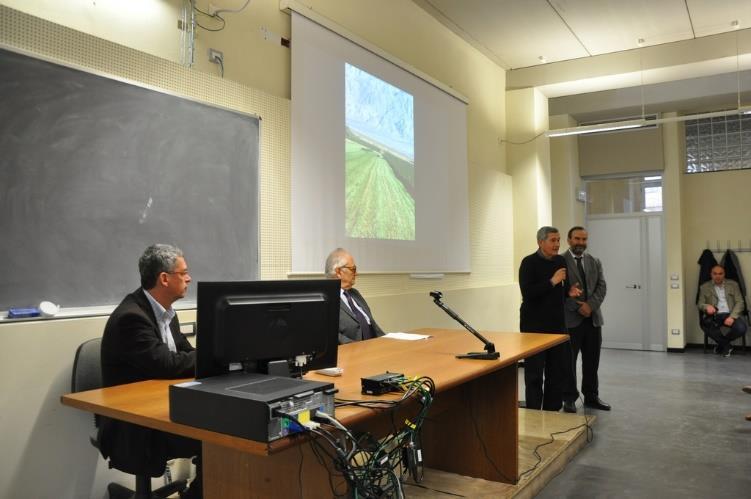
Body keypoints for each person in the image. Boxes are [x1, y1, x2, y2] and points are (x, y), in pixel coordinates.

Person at [100, 244, 202, 498]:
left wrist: (203, 358)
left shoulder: (167, 313)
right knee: (214, 439)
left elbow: (184, 355)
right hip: (133, 425)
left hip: (160, 407)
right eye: (184, 273)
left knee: (221, 428)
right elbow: (167, 364)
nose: (189, 278)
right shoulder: (131, 318)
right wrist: (211, 357)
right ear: (164, 278)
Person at [519, 227, 575, 411]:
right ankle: (534, 412)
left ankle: (552, 411)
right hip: (534, 327)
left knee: (556, 372)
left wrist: (569, 292)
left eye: (559, 240)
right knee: (534, 373)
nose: (557, 244)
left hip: (557, 325)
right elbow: (528, 293)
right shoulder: (528, 263)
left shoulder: (560, 261)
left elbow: (560, 291)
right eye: (553, 240)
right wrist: (552, 281)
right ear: (540, 242)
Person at [561, 227, 610, 412]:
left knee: (592, 362)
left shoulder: (594, 261)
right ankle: (569, 398)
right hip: (571, 321)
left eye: (584, 239)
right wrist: (578, 306)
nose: (580, 242)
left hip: (593, 320)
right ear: (569, 240)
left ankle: (591, 396)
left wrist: (590, 306)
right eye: (577, 239)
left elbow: (602, 287)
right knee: (569, 362)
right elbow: (560, 291)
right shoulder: (560, 261)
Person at [325, 248, 385, 344]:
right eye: (353, 269)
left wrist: (388, 340)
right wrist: (359, 347)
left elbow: (372, 324)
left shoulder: (355, 293)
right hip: (352, 353)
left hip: (373, 348)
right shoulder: (326, 298)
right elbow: (329, 334)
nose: (356, 274)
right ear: (338, 272)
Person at [697, 264, 747, 357]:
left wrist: (732, 317)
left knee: (741, 328)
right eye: (715, 274)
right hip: (715, 315)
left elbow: (740, 302)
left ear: (724, 274)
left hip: (730, 314)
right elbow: (700, 304)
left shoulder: (733, 284)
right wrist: (706, 306)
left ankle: (722, 344)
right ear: (711, 274)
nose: (718, 276)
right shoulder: (704, 287)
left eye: (720, 273)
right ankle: (727, 345)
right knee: (704, 324)